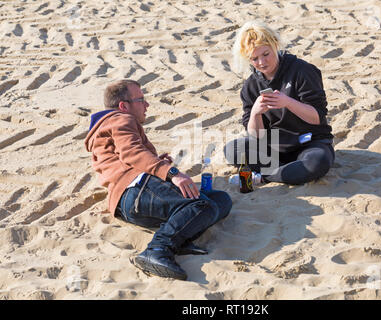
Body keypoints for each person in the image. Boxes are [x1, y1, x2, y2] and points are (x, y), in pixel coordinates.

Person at [85, 79, 232, 281]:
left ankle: (180, 239)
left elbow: (127, 155)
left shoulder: (113, 124)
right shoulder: (121, 119)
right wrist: (172, 173)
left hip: (134, 198)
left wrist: (155, 162)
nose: (147, 105)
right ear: (123, 106)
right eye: (141, 100)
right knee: (203, 205)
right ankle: (157, 250)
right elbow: (131, 153)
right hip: (134, 191)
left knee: (221, 200)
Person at [224, 21, 335, 185]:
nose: (261, 62)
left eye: (266, 54)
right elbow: (256, 136)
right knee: (232, 150)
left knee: (316, 163)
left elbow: (317, 118)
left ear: (275, 45)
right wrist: (255, 113)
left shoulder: (302, 71)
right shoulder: (251, 85)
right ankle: (284, 171)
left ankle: (263, 176)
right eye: (254, 59)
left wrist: (288, 102)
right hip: (274, 147)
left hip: (309, 143)